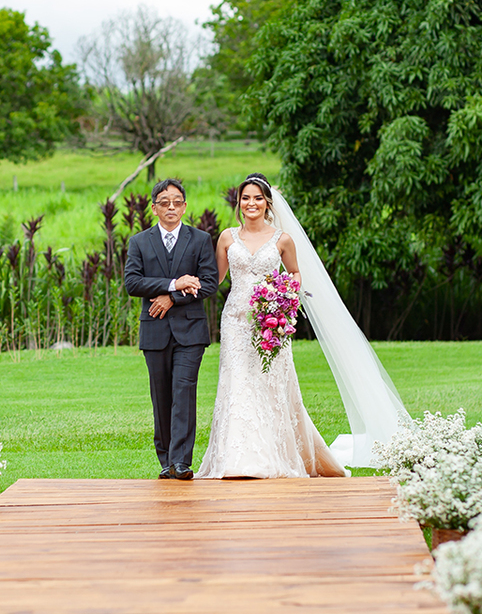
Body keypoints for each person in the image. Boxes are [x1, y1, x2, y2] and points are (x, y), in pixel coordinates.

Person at [197, 174, 347, 479]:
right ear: (238, 203)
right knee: (236, 384)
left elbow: (294, 275)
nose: (251, 204)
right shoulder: (227, 237)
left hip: (271, 322)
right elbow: (216, 279)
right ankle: (235, 460)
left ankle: (273, 456)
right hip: (236, 322)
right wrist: (181, 283)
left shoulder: (282, 239)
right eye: (245, 198)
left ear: (268, 203)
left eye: (257, 198)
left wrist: (283, 304)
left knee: (270, 385)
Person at [124, 179, 219, 480]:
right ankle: (165, 460)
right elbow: (132, 283)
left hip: (190, 332)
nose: (171, 207)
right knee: (161, 396)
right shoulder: (139, 242)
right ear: (154, 208)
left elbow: (209, 283)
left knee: (184, 391)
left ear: (185, 206)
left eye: (177, 201)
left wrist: (171, 297)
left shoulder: (201, 240)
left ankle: (181, 462)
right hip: (154, 332)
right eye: (164, 202)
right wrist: (173, 283)